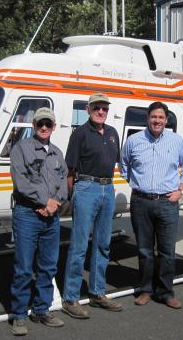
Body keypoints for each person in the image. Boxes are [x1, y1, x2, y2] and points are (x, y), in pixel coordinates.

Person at [120, 101, 183, 309]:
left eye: (161, 117)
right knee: (144, 249)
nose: (157, 121)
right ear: (148, 118)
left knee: (167, 251)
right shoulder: (134, 141)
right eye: (154, 117)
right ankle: (145, 290)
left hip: (167, 203)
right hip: (141, 201)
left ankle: (165, 292)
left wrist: (180, 191)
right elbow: (123, 164)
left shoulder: (176, 141)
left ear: (166, 120)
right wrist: (135, 182)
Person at [62, 93, 122, 319]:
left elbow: (116, 162)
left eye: (104, 108)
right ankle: (70, 298)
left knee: (103, 244)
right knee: (79, 246)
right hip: (86, 187)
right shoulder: (80, 134)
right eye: (96, 107)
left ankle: (97, 292)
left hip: (108, 188)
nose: (100, 111)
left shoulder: (113, 134)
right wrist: (73, 195)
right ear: (88, 109)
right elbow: (69, 170)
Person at [9, 107, 68, 336]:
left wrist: (55, 203)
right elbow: (21, 183)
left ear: (53, 127)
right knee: (24, 268)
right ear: (33, 126)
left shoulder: (56, 153)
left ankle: (42, 309)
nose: (44, 127)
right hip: (27, 214)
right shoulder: (20, 149)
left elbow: (63, 182)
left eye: (48, 124)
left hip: (51, 218)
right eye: (40, 123)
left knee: (48, 266)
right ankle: (19, 314)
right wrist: (46, 202)